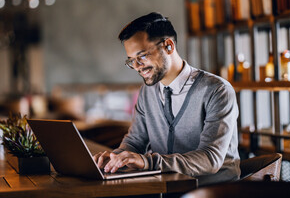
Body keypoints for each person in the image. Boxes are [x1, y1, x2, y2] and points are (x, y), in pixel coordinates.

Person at [93, 12, 240, 184]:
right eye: (131, 60)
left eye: (141, 56)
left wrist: (148, 162)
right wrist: (113, 159)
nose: (137, 67)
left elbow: (210, 158)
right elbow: (134, 142)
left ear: (168, 46)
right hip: (167, 188)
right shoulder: (147, 92)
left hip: (214, 191)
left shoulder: (217, 90)